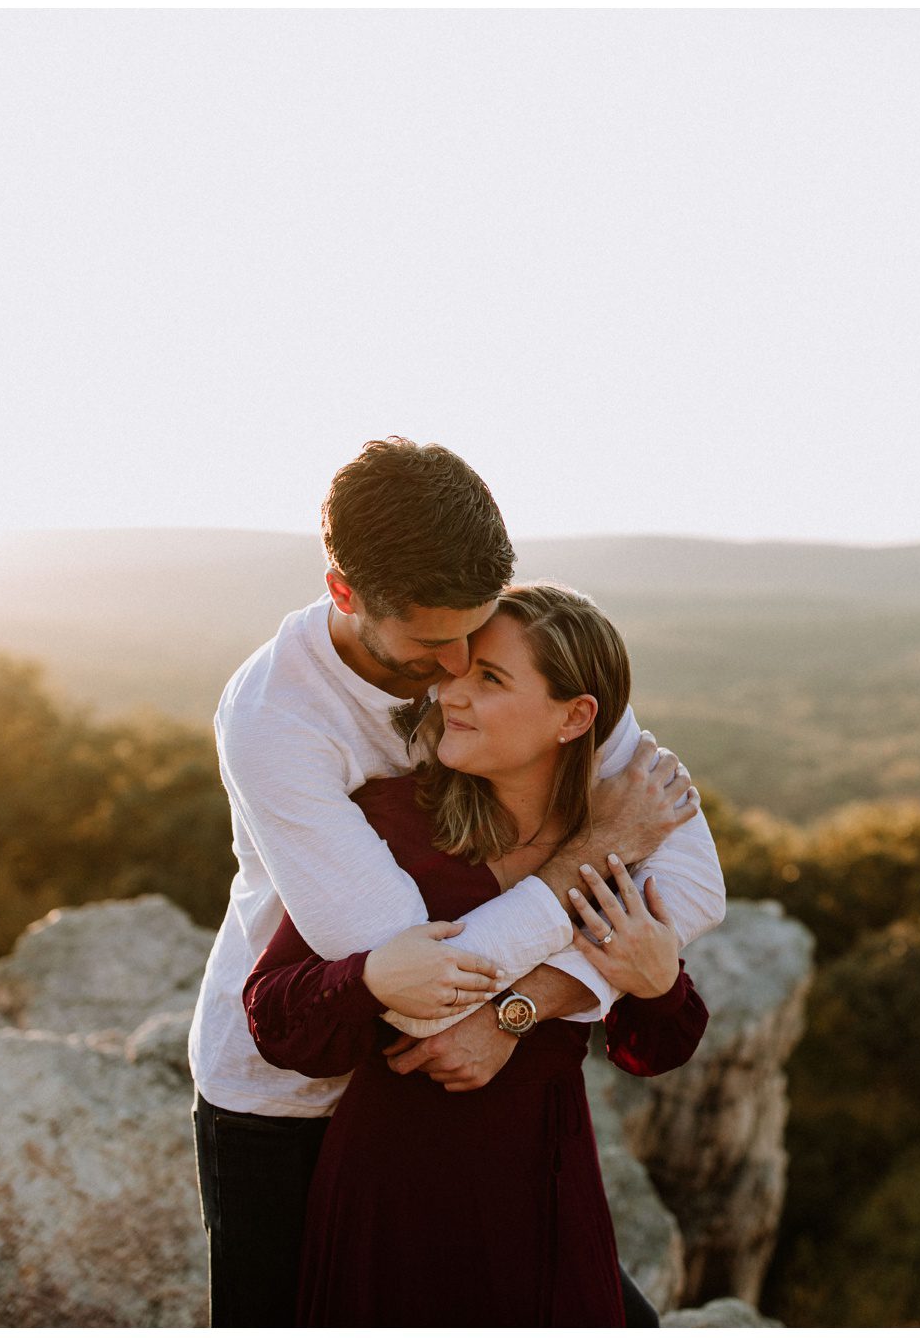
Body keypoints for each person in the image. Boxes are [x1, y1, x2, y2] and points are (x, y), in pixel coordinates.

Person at [186, 438, 727, 1326]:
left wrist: (529, 1008)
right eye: (433, 644)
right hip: (292, 1093)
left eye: (475, 641)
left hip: (459, 1101)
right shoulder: (274, 719)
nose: (449, 680)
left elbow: (694, 886)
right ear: (345, 593)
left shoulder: (515, 652)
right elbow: (423, 984)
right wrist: (591, 854)